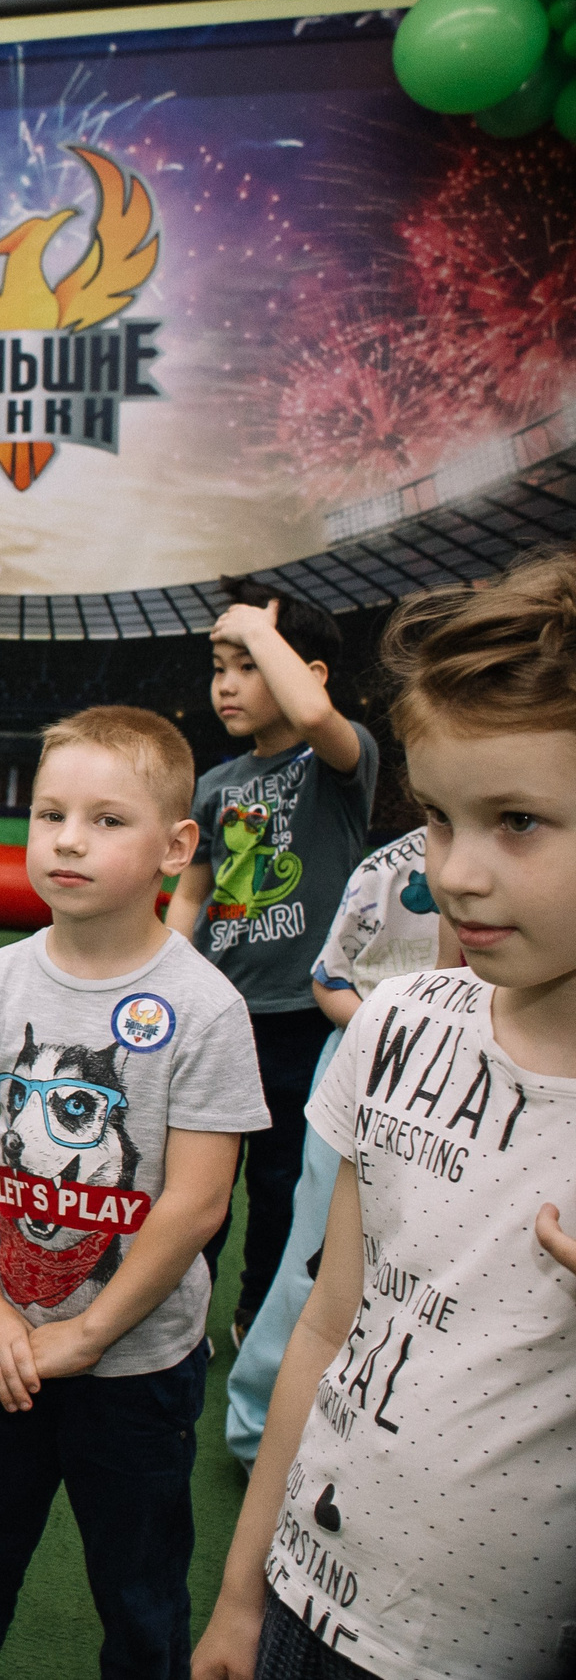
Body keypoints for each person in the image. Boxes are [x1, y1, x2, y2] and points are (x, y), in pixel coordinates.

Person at [194, 551, 576, 1680]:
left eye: (516, 821)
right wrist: (238, 1593)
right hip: (300, 1599)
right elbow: (323, 1325)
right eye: (442, 818)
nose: (453, 873)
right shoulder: (393, 1024)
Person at [0, 706, 267, 1680]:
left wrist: (93, 1331)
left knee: (138, 1588)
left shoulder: (205, 1007)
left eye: (106, 820)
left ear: (174, 846)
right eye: (49, 814)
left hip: (136, 1370)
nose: (66, 839)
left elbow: (196, 1204)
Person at [164, 579, 377, 1344]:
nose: (226, 682)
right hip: (222, 1018)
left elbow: (317, 715)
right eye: (219, 664)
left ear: (305, 670)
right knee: (202, 1176)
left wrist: (258, 623)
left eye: (248, 661)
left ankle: (260, 1314)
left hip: (300, 1020)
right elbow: (191, 894)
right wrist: (174, 973)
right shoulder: (217, 784)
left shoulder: (340, 763)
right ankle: (185, 1304)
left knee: (283, 1184)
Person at [220, 826, 452, 1468]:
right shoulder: (390, 868)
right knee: (319, 1253)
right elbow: (332, 977)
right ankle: (262, 1428)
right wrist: (402, 1025)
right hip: (376, 1063)